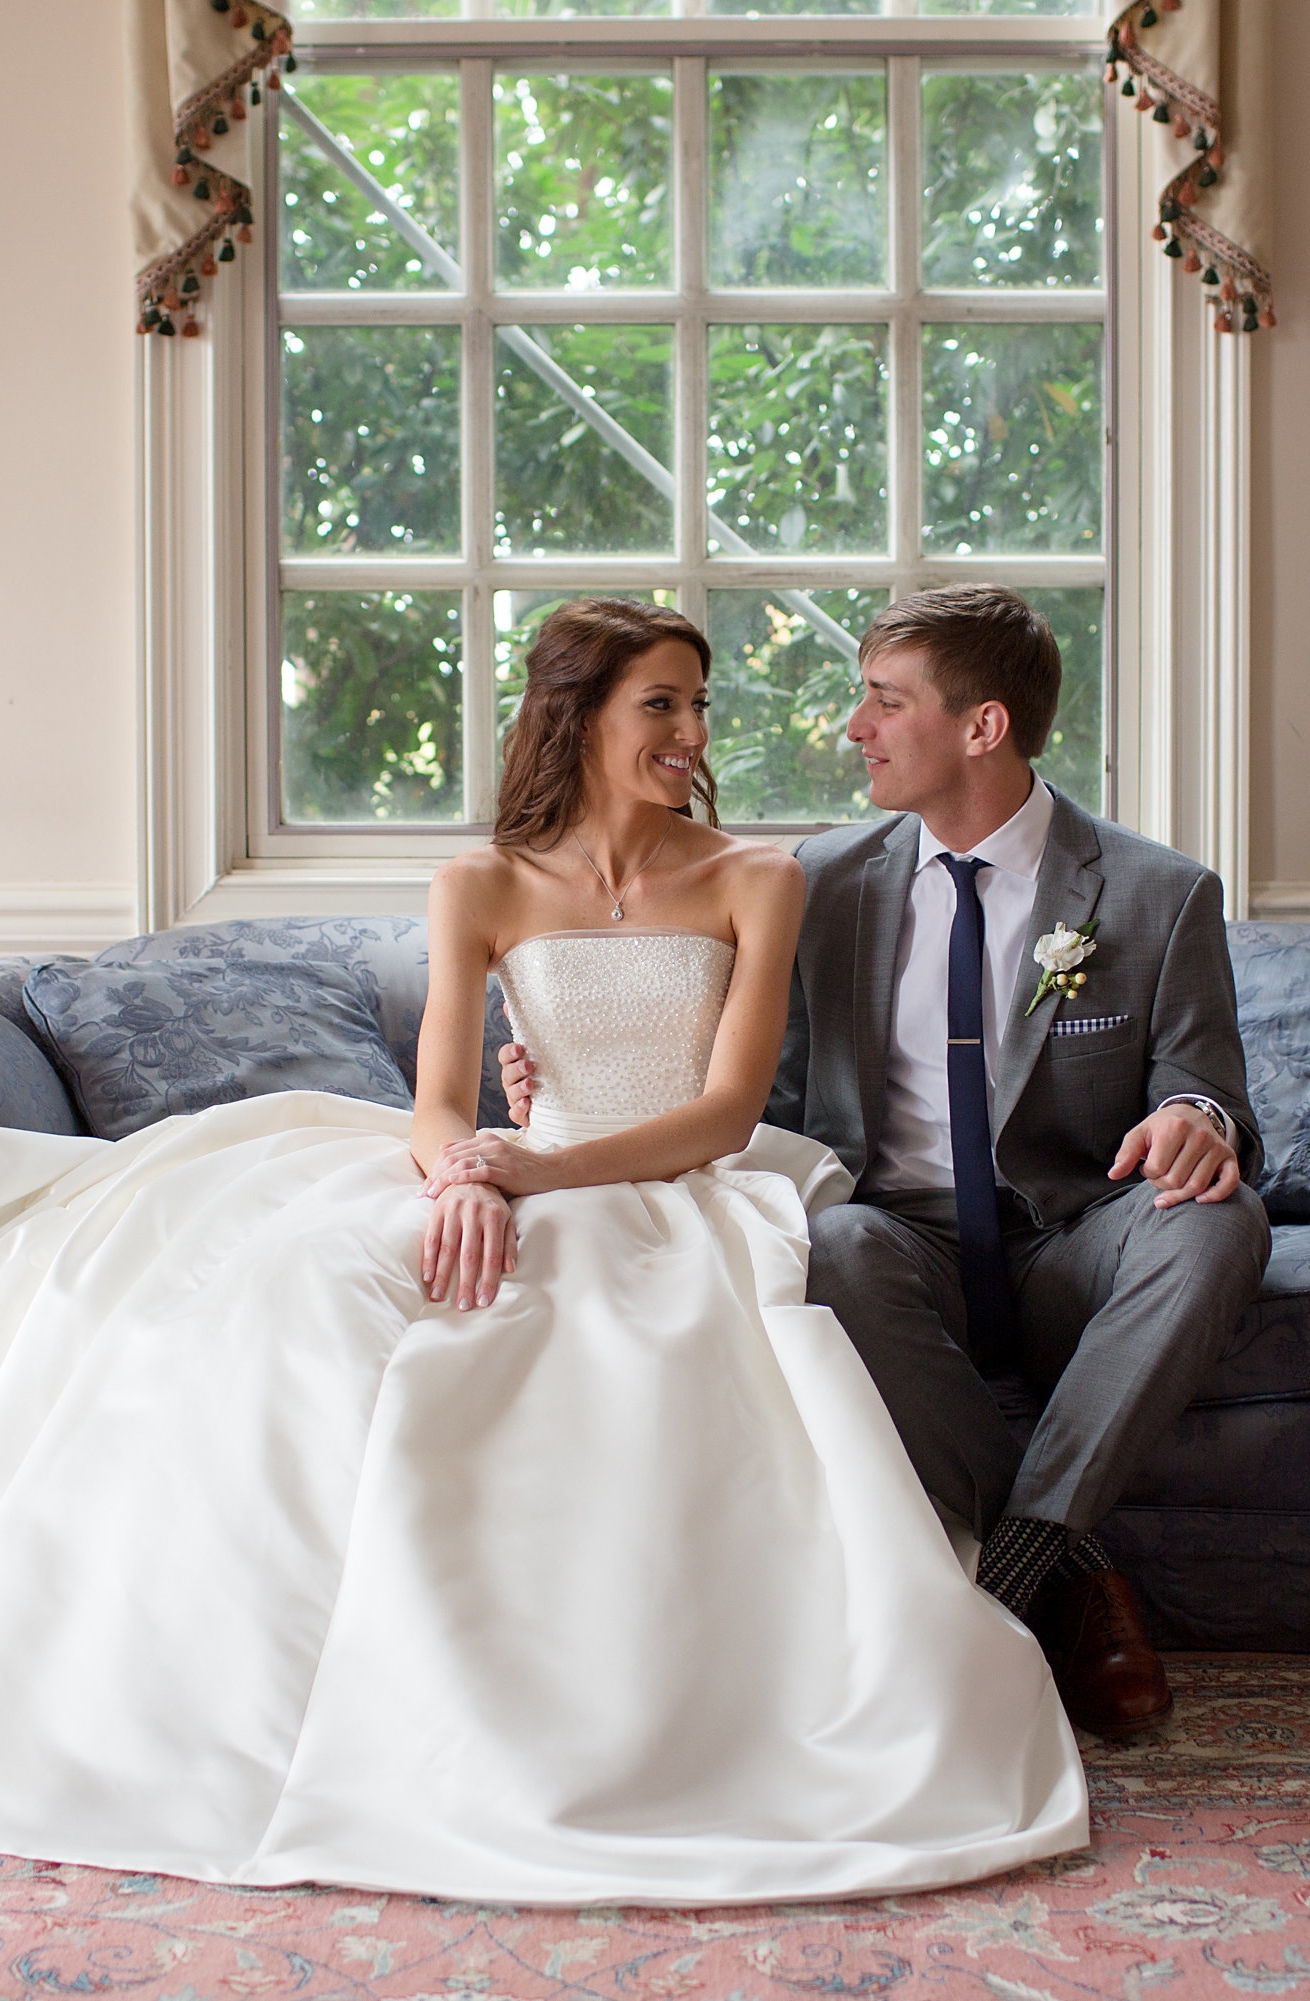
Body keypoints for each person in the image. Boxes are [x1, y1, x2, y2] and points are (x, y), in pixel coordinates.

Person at [0, 598, 1085, 1906]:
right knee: (282, 1293)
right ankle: (185, 1693)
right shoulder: (481, 883)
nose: (693, 730)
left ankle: (535, 1721)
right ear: (583, 716)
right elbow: (434, 1098)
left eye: (697, 702)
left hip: (669, 1181)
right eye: (662, 702)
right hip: (507, 1162)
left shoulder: (758, 876)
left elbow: (717, 1111)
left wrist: (538, 1169)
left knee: (590, 1339)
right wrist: (468, 1169)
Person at [507, 587, 1269, 1741]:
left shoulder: (1158, 894)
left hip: (1071, 1236)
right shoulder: (821, 882)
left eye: (883, 702)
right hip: (894, 1235)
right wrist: (553, 1072)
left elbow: (1209, 1086)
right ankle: (1072, 1577)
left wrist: (1197, 1118)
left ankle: (1024, 1555)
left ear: (982, 727)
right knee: (840, 1243)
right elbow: (723, 1074)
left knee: (1221, 1220)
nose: (855, 728)